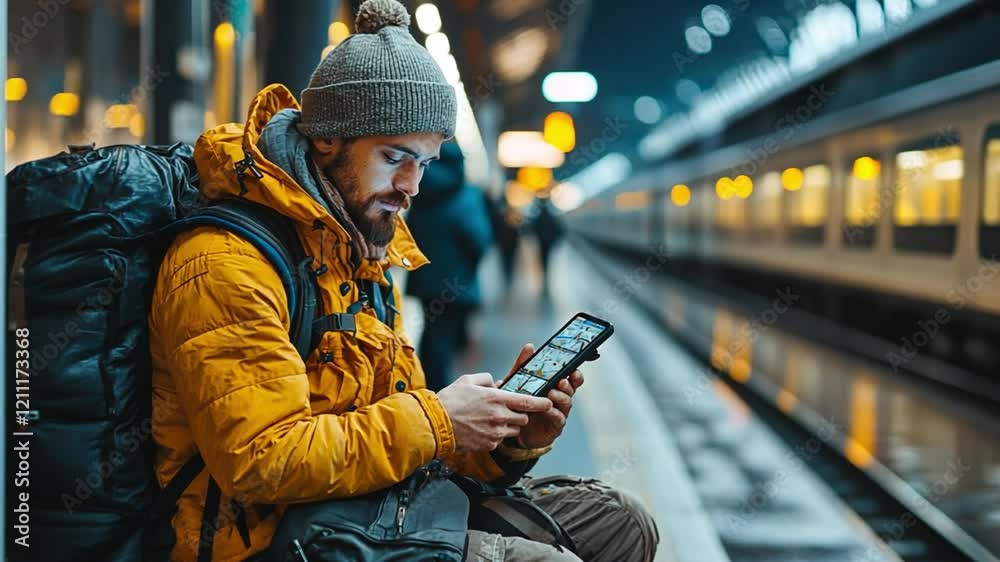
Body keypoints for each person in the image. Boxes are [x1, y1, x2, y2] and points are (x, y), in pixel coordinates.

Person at [148, 1, 658, 560]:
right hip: (272, 538)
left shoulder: (360, 255)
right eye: (395, 157)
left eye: (425, 163)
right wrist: (439, 418)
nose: (411, 185)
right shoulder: (226, 263)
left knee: (624, 523)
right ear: (328, 140)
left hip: (365, 508)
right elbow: (260, 462)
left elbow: (410, 435)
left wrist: (505, 438)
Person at [405, 141, 493, 391]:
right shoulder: (465, 194)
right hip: (458, 283)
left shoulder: (419, 191)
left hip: (426, 282)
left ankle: (430, 389)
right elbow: (479, 238)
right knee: (448, 342)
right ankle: (443, 399)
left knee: (433, 338)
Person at [532, 198, 564, 297]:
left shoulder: (538, 215)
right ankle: (546, 272)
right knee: (547, 258)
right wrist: (556, 240)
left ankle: (544, 271)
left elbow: (534, 228)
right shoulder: (552, 215)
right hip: (549, 241)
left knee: (542, 257)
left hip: (542, 241)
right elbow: (558, 229)